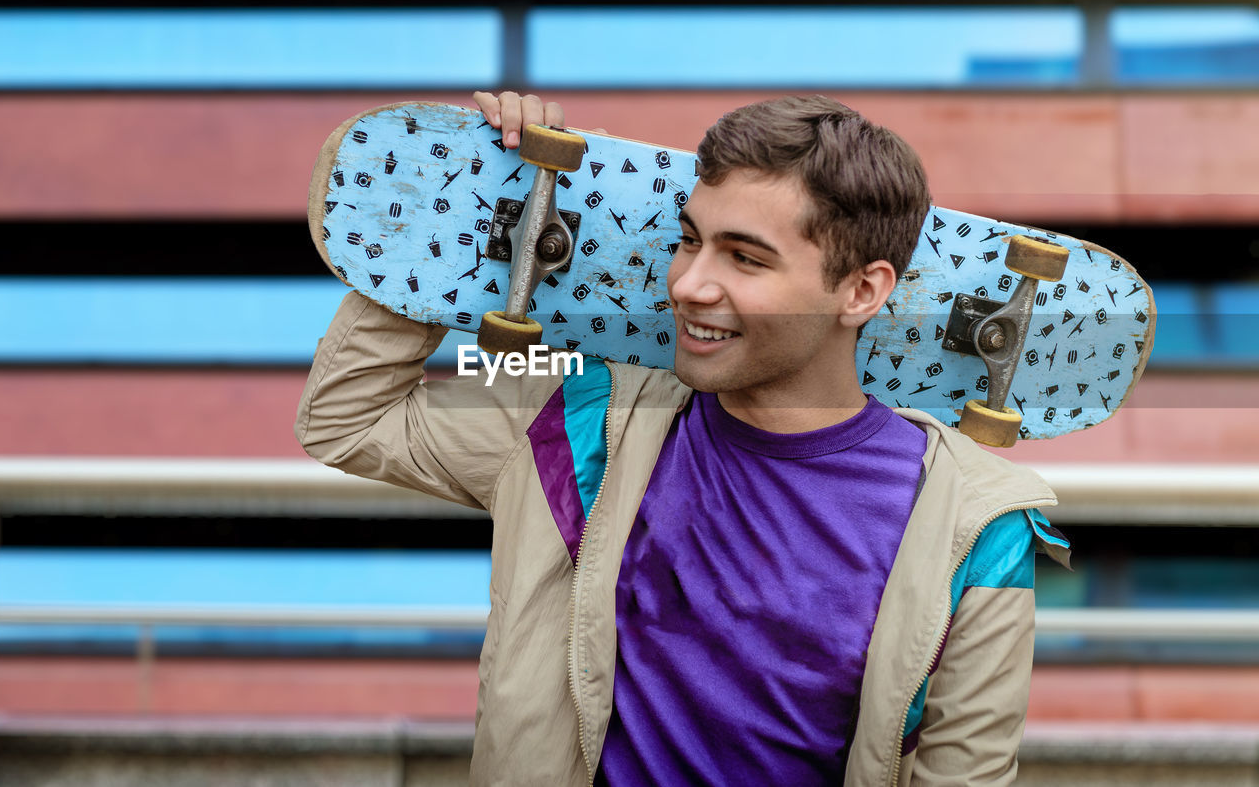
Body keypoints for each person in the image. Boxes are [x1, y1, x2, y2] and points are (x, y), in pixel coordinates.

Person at [295, 90, 1071, 786]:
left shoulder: (974, 526)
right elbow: (347, 418)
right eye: (688, 239)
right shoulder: (582, 419)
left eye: (744, 257)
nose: (690, 283)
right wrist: (473, 200)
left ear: (861, 290)